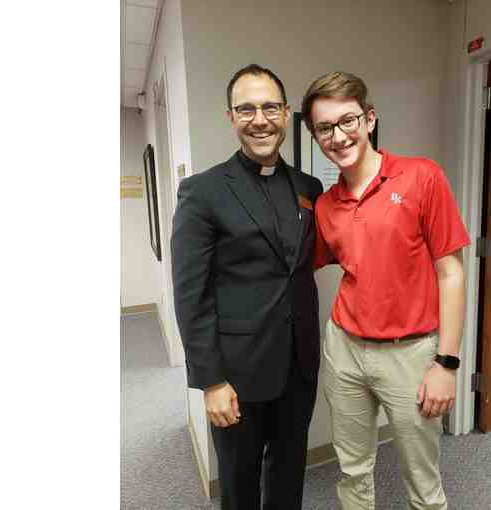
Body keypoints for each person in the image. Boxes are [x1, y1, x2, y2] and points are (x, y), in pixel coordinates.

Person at [302, 71, 470, 510]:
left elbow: (451, 273)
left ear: (370, 119)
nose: (338, 136)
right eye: (325, 128)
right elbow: (305, 264)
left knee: (423, 483)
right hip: (344, 350)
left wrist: (446, 363)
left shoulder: (421, 176)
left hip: (410, 354)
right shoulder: (326, 205)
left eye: (348, 120)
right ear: (316, 137)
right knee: (352, 471)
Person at [171, 64, 324, 510]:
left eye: (270, 108)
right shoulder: (203, 192)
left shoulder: (308, 187)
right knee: (239, 483)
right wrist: (210, 381)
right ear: (231, 117)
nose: (260, 120)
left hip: (299, 364)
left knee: (289, 472)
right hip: (236, 374)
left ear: (286, 113)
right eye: (247, 109)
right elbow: (191, 295)